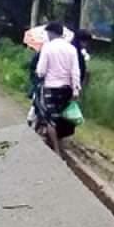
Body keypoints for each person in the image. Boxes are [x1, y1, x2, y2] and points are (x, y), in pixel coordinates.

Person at [35, 22, 81, 155]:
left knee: (51, 119)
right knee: (62, 118)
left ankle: (56, 149)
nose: (47, 36)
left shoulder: (48, 47)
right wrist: (76, 89)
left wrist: (40, 74)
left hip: (51, 88)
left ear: (51, 33)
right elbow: (75, 71)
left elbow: (41, 71)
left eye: (48, 33)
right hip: (66, 89)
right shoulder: (71, 49)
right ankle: (60, 143)